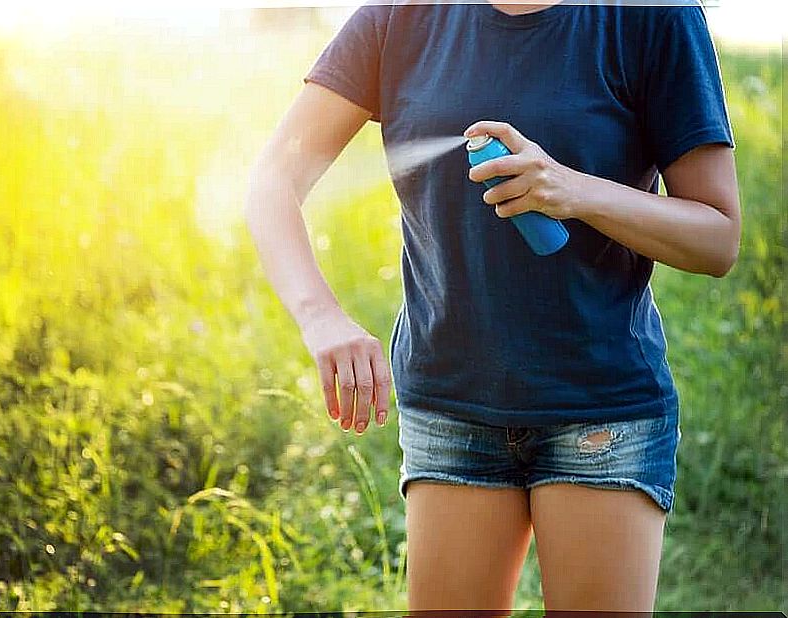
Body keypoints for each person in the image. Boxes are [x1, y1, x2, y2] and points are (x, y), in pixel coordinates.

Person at [244, 0, 740, 613]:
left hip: (601, 409)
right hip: (451, 405)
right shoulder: (398, 17)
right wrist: (321, 318)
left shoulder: (649, 17)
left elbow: (718, 237)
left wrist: (572, 189)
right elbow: (272, 182)